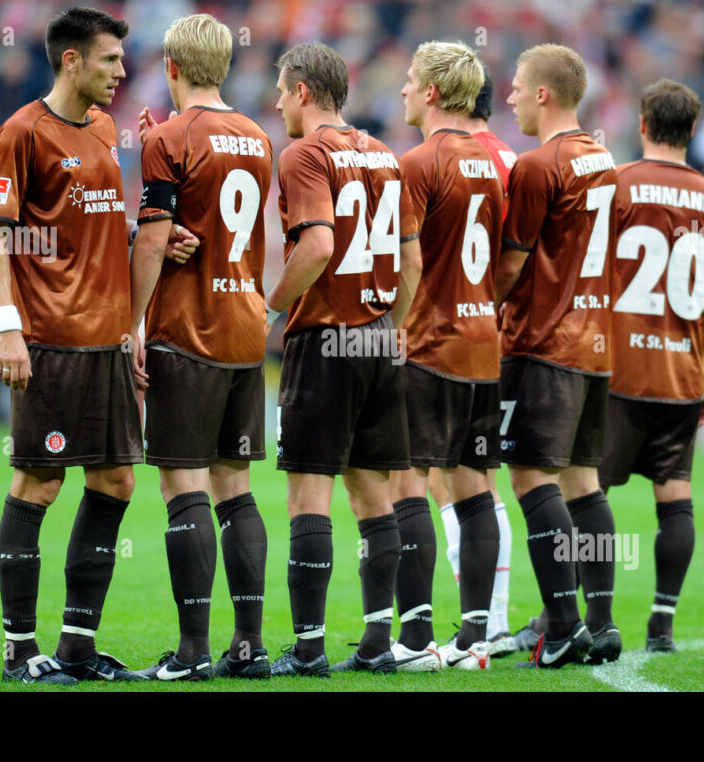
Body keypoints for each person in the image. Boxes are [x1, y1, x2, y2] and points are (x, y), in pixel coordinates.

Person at [0, 6, 194, 684]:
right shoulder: (23, 132)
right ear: (72, 60)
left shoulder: (103, 129)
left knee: (117, 481)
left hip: (105, 341)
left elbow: (85, 224)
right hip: (48, 340)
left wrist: (143, 241)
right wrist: (6, 326)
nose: (122, 72)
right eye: (110, 60)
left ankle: (75, 646)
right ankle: (18, 652)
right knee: (38, 484)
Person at [266, 42, 419, 676]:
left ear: (303, 91)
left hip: (327, 338)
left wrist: (268, 306)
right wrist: (394, 327)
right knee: (373, 494)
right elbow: (411, 260)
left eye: (282, 90)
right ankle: (378, 642)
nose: (276, 103)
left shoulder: (303, 154)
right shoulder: (384, 154)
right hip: (380, 337)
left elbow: (320, 245)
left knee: (310, 493)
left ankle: (308, 649)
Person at [128, 13, 273, 681]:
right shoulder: (257, 136)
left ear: (173, 67)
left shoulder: (169, 136)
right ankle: (248, 645)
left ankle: (190, 653)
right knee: (236, 489)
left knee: (181, 484)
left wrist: (132, 323)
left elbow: (156, 237)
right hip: (246, 326)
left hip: (188, 328)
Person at [598, 79, 704, 652]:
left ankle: (595, 618)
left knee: (589, 494)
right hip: (681, 374)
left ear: (642, 125)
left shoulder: (616, 186)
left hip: (616, 370)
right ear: (694, 131)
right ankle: (662, 623)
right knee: (675, 495)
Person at [495, 43, 620, 668]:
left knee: (529, 477)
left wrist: (472, 305)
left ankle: (565, 625)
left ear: (544, 94)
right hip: (596, 345)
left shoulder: (537, 165)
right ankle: (600, 621)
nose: (510, 95)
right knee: (583, 483)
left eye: (517, 86)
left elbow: (512, 265)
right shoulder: (605, 159)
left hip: (543, 342)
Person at [390, 42, 503, 672]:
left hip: (430, 341)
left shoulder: (418, 162)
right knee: (473, 489)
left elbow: (407, 260)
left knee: (409, 483)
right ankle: (476, 638)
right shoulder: (491, 163)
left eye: (410, 81)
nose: (403, 90)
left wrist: (393, 326)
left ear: (431, 92)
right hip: (483, 345)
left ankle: (414, 641)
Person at [429, 66, 518, 657]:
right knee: (484, 482)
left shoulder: (452, 158)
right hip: (501, 334)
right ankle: (495, 623)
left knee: (452, 482)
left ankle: (481, 625)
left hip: (454, 337)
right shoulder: (511, 158)